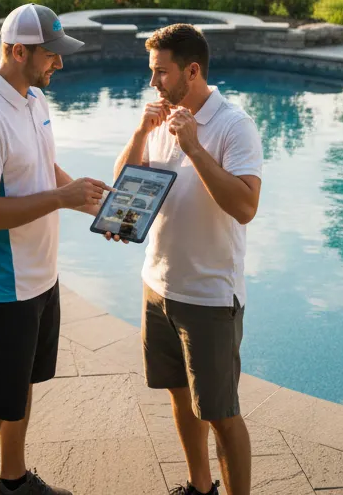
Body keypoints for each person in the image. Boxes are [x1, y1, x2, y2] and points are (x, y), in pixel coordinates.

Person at [0, 3, 112, 495]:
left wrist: (90, 205)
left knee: (19, 390)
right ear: (18, 50)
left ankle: (14, 481)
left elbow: (44, 168)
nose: (58, 63)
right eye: (51, 55)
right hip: (3, 286)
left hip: (40, 276)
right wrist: (61, 198)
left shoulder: (32, 99)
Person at [110, 24, 263, 495]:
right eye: (151, 71)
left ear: (191, 71)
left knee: (220, 413)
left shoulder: (234, 126)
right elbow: (123, 189)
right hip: (158, 285)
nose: (153, 82)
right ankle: (200, 487)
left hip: (208, 295)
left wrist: (194, 146)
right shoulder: (160, 119)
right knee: (179, 394)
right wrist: (141, 131)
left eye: (161, 72)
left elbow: (244, 207)